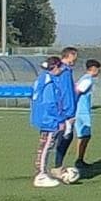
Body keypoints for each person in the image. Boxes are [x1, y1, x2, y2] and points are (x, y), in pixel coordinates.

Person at [29, 56, 70, 188]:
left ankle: (42, 172)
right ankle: (40, 175)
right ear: (56, 67)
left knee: (45, 146)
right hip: (49, 119)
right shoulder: (49, 82)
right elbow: (50, 103)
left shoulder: (42, 79)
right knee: (46, 146)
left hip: (43, 117)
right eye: (60, 67)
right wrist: (60, 119)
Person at [48, 47, 80, 179]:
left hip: (63, 111)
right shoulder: (64, 71)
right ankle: (56, 167)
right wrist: (69, 112)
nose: (75, 60)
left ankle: (55, 166)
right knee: (63, 138)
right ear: (69, 56)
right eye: (74, 57)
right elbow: (65, 93)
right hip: (65, 112)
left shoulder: (62, 71)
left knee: (64, 138)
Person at [72, 59, 101, 169]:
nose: (99, 72)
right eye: (98, 69)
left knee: (84, 136)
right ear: (93, 69)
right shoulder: (87, 80)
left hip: (81, 111)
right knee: (84, 136)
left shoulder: (84, 78)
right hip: (82, 111)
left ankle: (80, 159)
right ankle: (79, 160)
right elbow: (77, 92)